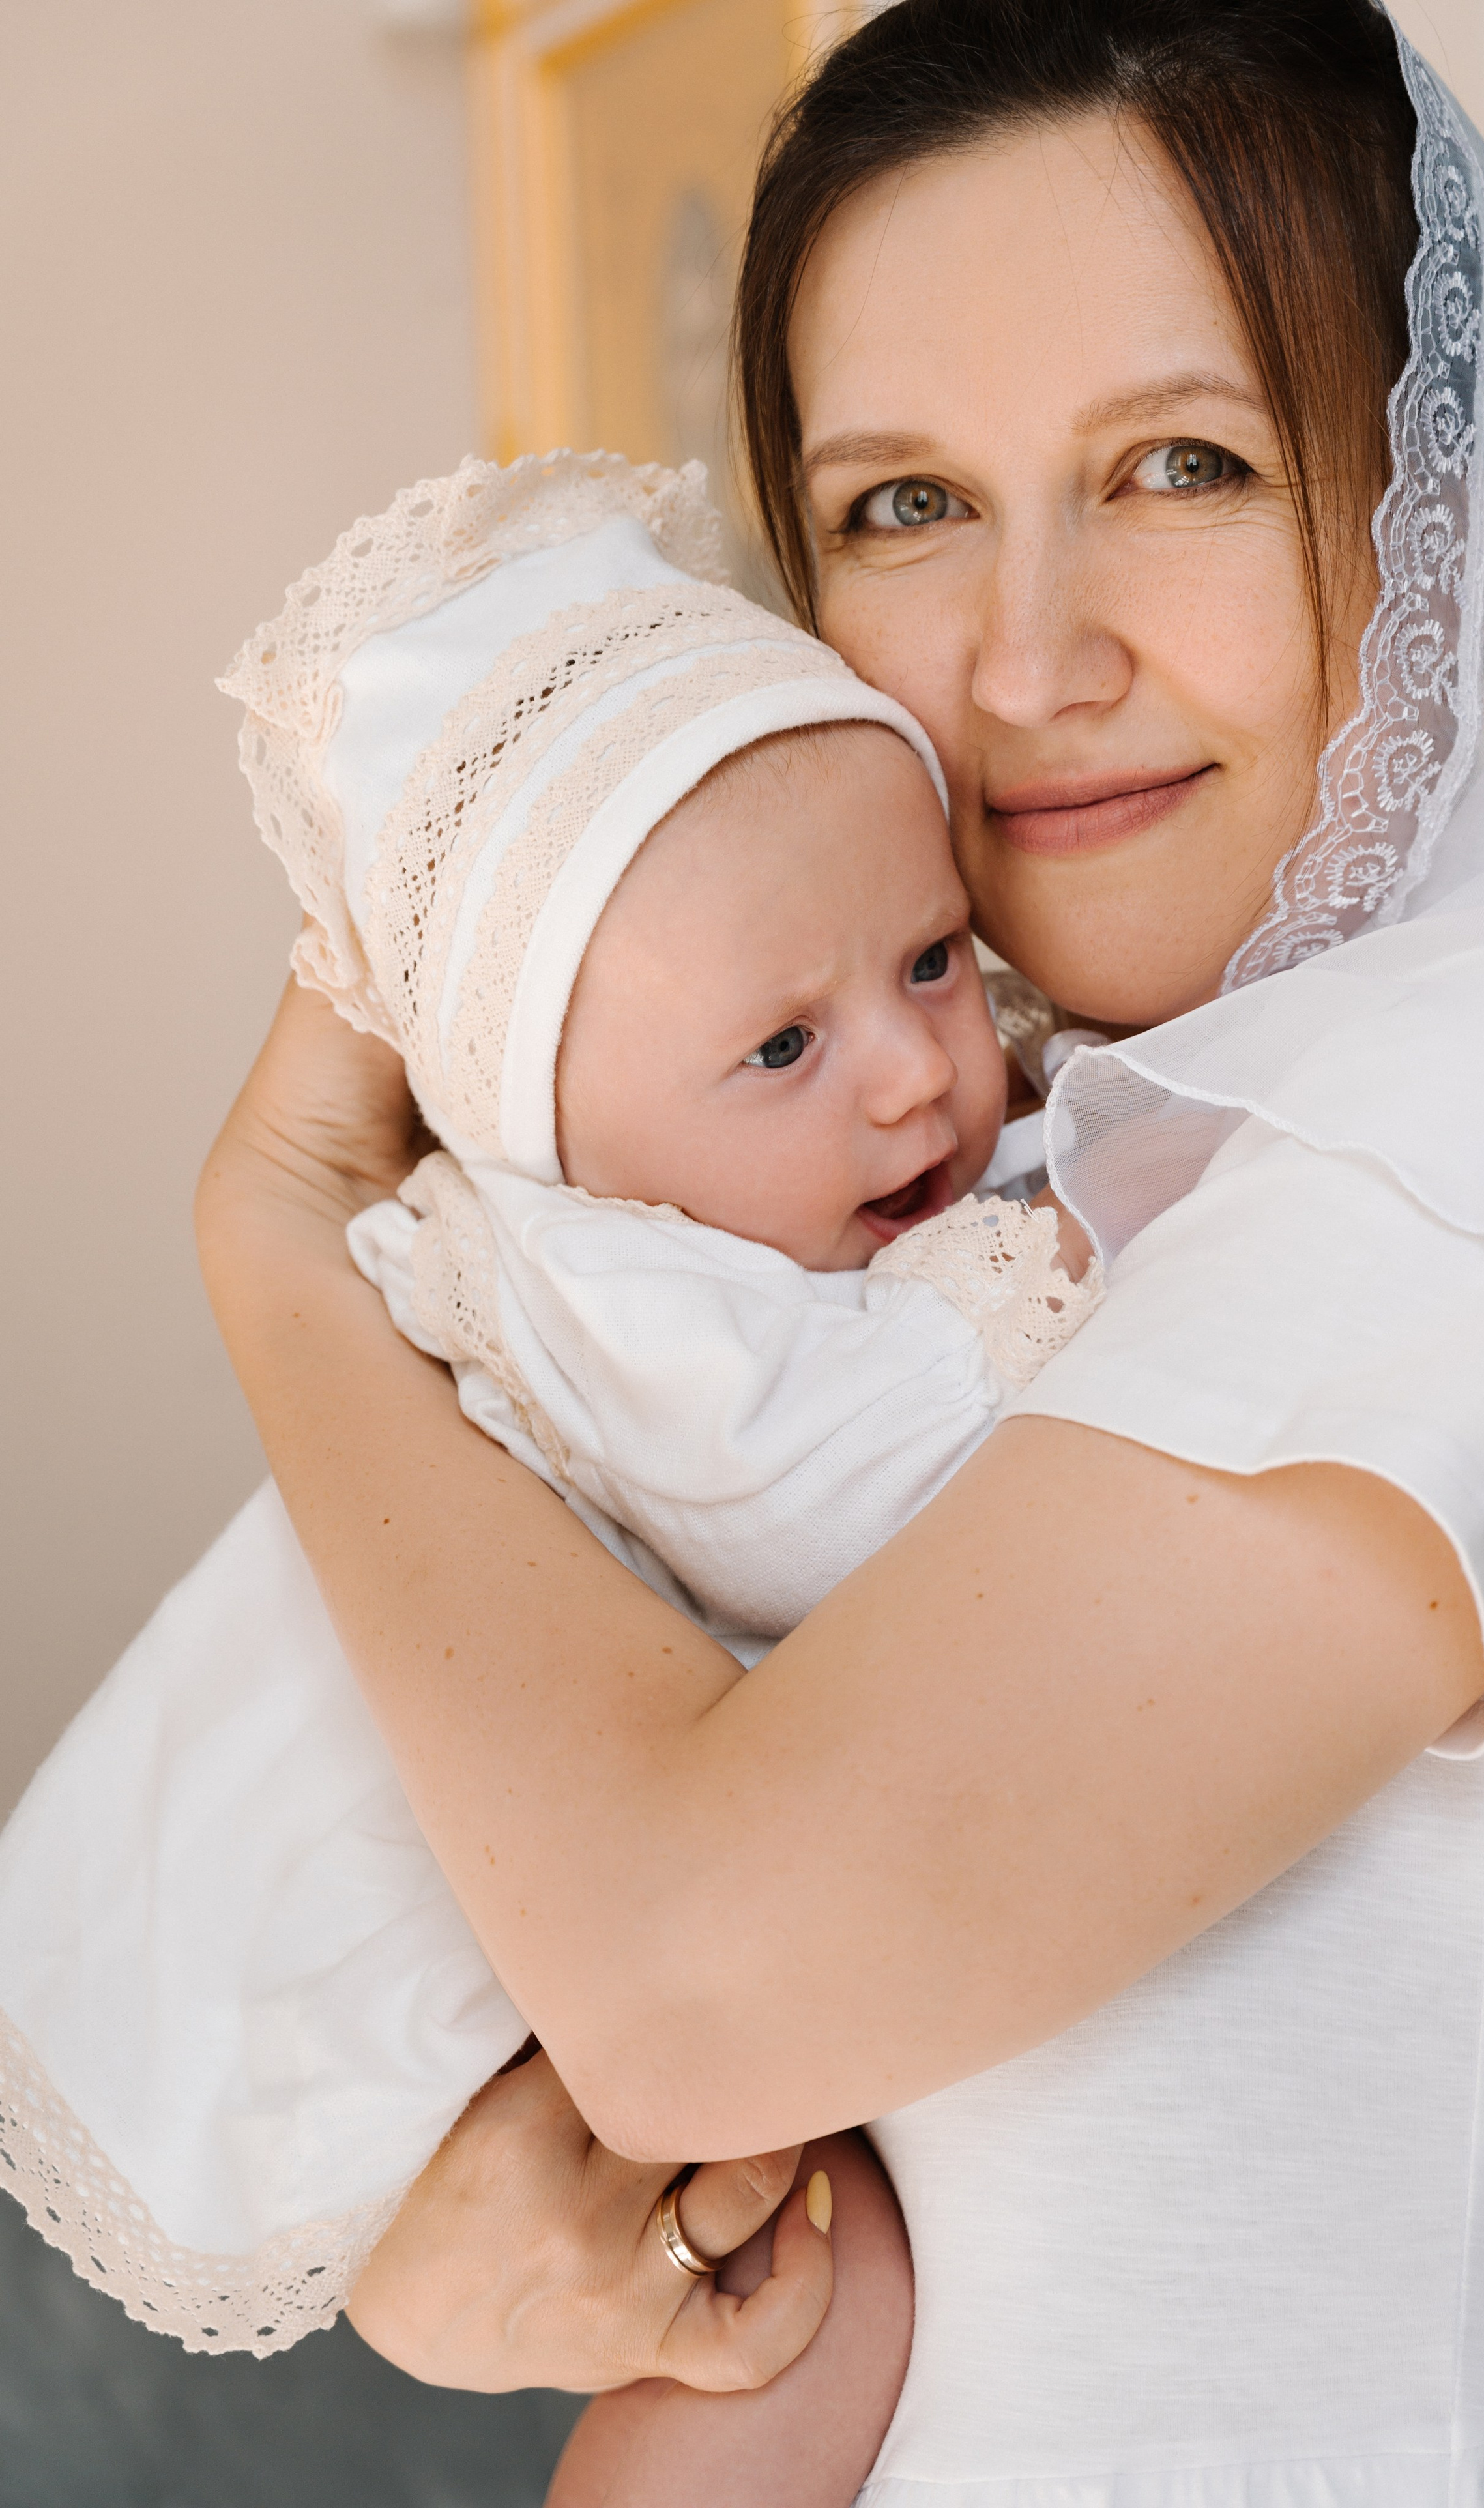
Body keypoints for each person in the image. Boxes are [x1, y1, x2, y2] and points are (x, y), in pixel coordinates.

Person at [190, 1, 1484, 2500]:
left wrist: (278, 1237)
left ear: (1479, 514)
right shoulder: (978, 1187)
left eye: (1183, 466)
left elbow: (692, 1988)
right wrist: (487, 2236)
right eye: (903, 506)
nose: (1024, 661)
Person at [0, 452, 1105, 2500]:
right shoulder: (596, 1287)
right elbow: (812, 1501)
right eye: (781, 1048)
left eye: (934, 960)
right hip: (428, 1983)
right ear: (552, 1134)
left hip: (654, 1953)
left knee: (834, 2303)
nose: (913, 1071)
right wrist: (1057, 1274)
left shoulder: (763, 1210)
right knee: (800, 2306)